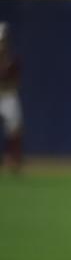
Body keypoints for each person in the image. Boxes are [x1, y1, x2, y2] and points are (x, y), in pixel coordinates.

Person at [0, 23, 23, 173]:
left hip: (8, 97)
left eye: (3, 40)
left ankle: (14, 161)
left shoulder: (11, 59)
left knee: (14, 130)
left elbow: (15, 80)